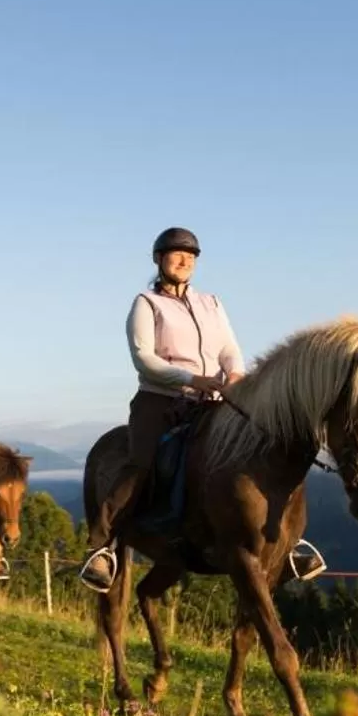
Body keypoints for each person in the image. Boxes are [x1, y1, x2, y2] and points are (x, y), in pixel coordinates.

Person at [78, 227, 246, 592]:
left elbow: (229, 346)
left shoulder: (212, 303)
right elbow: (144, 359)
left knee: (255, 441)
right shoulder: (146, 303)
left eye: (191, 255)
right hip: (161, 400)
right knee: (141, 464)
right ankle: (101, 547)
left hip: (213, 397)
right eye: (176, 254)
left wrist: (234, 372)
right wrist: (191, 379)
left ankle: (283, 538)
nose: (185, 260)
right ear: (159, 259)